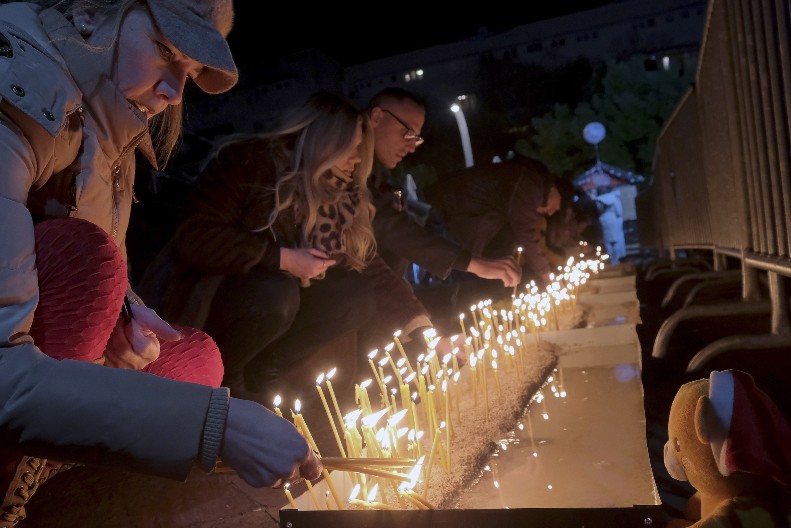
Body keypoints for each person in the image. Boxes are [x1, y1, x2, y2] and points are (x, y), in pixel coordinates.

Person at [0, 0, 320, 522]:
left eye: (189, 73)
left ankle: (52, 463)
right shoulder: (11, 100)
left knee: (194, 362)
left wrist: (124, 311)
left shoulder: (108, 134)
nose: (174, 94)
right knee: (90, 264)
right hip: (9, 376)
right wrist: (217, 427)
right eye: (165, 51)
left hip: (34, 357)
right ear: (92, 11)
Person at [146, 91, 436, 404]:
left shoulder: (336, 195)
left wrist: (423, 329)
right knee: (276, 292)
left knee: (354, 295)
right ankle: (227, 382)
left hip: (280, 308)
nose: (356, 159)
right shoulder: (251, 163)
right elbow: (196, 237)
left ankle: (268, 369)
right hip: (219, 294)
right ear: (323, 141)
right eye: (350, 148)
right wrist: (282, 258)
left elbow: (371, 268)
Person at [364, 88, 522, 290]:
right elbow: (388, 225)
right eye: (408, 132)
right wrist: (472, 263)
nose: (412, 147)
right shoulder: (347, 164)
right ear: (377, 116)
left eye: (417, 138)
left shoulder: (379, 174)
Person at [595, 187, 626, 263]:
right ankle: (617, 258)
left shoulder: (598, 200)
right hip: (613, 219)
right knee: (615, 240)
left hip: (603, 220)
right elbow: (619, 211)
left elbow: (597, 211)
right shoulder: (614, 199)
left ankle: (611, 258)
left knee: (607, 241)